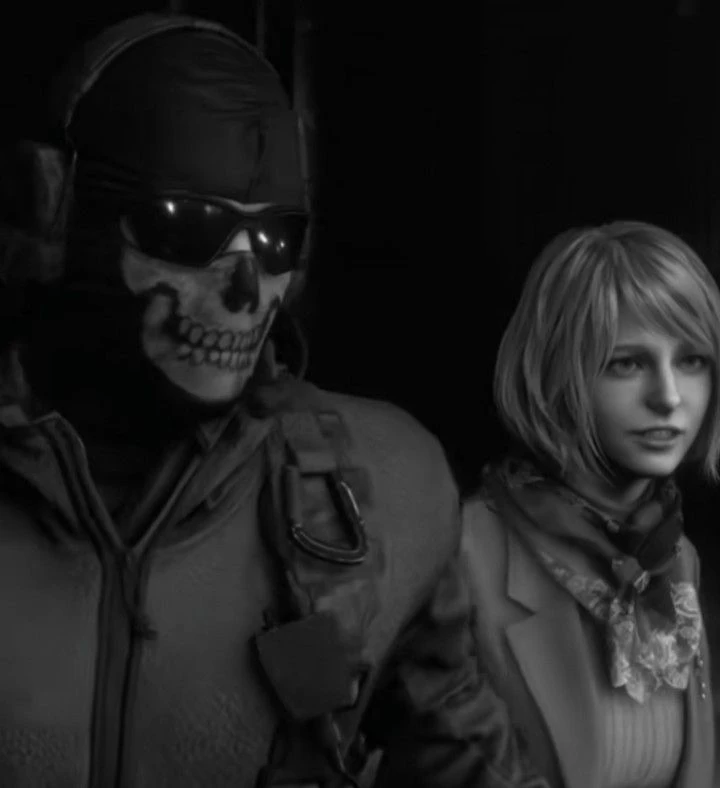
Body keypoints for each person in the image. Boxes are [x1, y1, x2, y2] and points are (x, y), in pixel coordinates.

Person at [0, 12, 550, 788]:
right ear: (56, 211)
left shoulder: (382, 486)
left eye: (275, 241)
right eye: (185, 227)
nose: (246, 288)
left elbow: (461, 757)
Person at [462, 220, 719, 788]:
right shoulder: (465, 553)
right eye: (627, 362)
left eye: (692, 360)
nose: (669, 397)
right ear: (557, 371)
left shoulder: (677, 558)